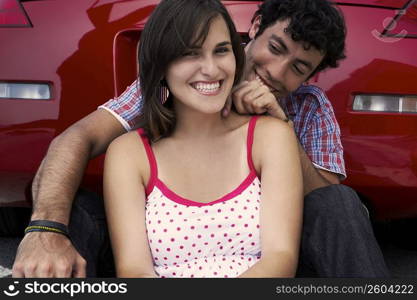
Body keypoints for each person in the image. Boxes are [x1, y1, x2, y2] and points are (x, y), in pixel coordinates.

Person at [12, 0, 390, 278]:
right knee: (76, 211)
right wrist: (45, 228)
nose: (276, 72)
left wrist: (282, 125)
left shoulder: (307, 107)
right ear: (256, 27)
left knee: (340, 200)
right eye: (276, 48)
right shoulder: (174, 84)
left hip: (270, 255)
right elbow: (75, 139)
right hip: (155, 247)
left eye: (298, 68)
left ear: (310, 77)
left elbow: (331, 209)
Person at [103, 0, 303, 278]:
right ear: (161, 65)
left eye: (221, 51)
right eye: (190, 54)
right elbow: (134, 270)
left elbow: (281, 258)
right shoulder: (129, 153)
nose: (211, 69)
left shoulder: (271, 137)